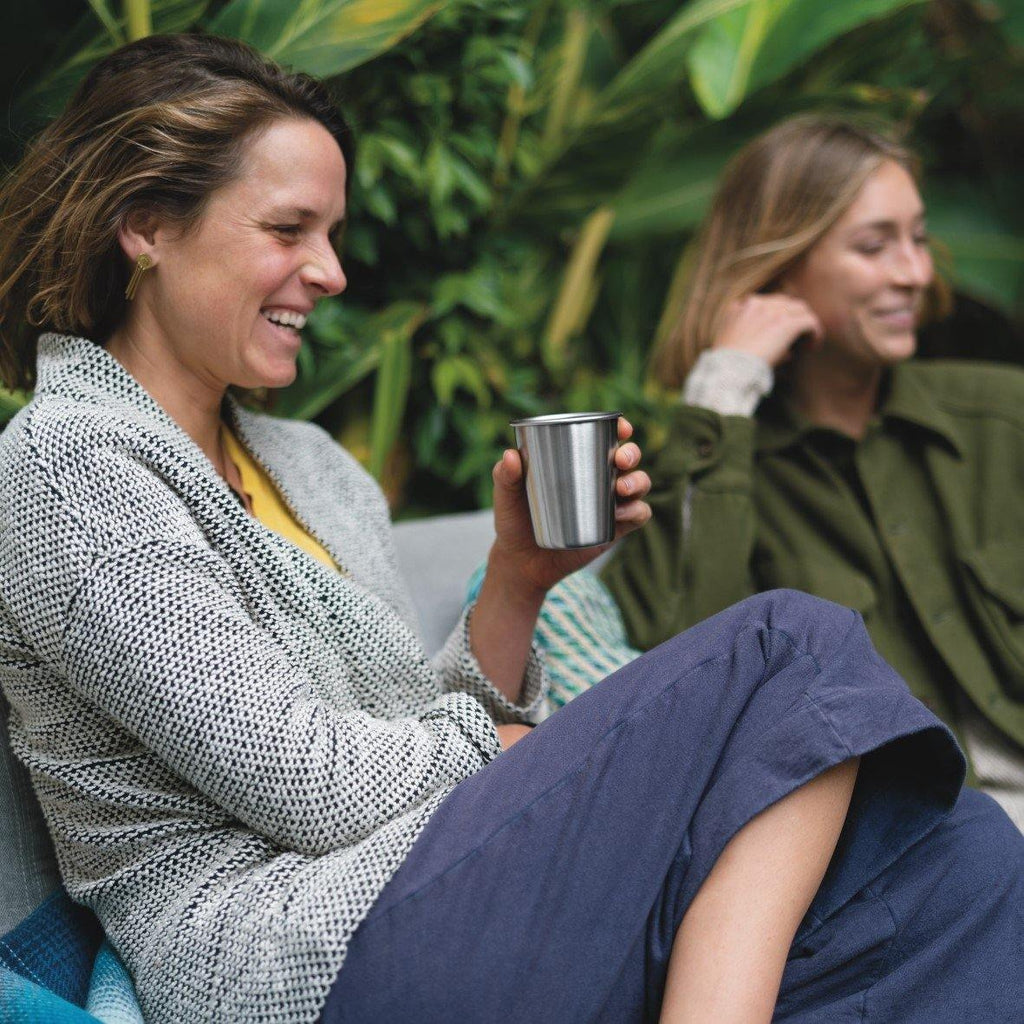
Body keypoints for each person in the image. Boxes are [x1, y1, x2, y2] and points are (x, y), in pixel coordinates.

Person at [0, 35, 1019, 1024]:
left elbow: (403, 726)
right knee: (791, 642)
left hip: (449, 881)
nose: (331, 271)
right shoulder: (71, 467)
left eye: (332, 236)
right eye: (287, 229)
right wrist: (515, 745)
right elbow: (315, 787)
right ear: (146, 225)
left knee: (957, 863)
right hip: (282, 952)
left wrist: (518, 580)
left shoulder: (312, 466)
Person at [603, 114, 1024, 831]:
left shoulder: (1003, 418)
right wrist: (723, 389)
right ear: (781, 266)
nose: (915, 273)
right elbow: (683, 667)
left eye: (918, 239)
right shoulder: (719, 477)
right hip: (918, 849)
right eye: (874, 246)